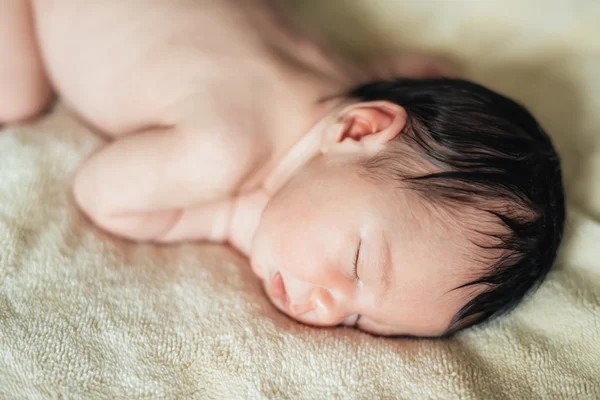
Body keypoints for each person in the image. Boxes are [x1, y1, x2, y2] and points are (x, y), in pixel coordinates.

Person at [0, 0, 564, 337]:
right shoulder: (220, 151)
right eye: (358, 262)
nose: (327, 304)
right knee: (14, 97)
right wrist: (231, 220)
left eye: (361, 321)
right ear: (358, 129)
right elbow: (101, 194)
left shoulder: (351, 89)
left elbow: (427, 68)